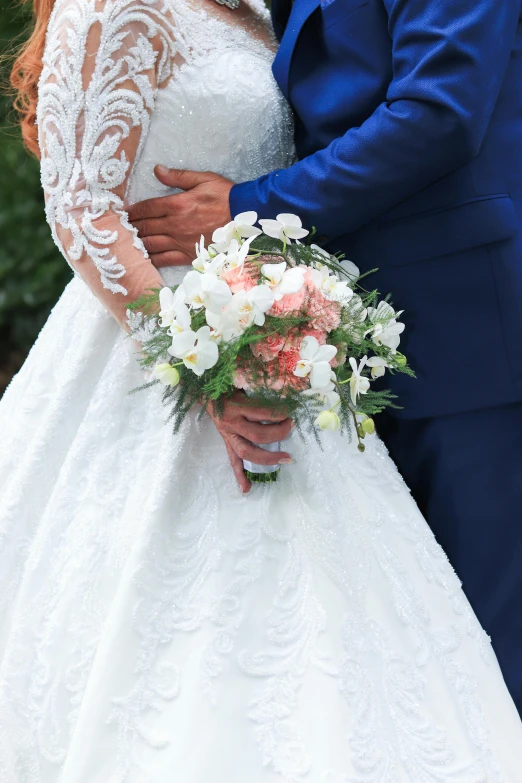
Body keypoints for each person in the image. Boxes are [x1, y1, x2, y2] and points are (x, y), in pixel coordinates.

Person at [0, 0, 521, 779]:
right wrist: (197, 362)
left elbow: (438, 110)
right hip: (207, 355)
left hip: (403, 338)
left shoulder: (245, 9)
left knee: (452, 647)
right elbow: (80, 203)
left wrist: (248, 210)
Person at [126, 0, 522, 718]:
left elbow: (439, 112)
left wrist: (248, 206)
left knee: (493, 654)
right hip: (334, 347)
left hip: (465, 333)